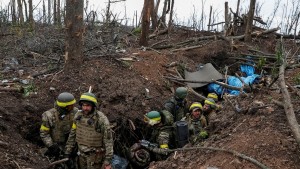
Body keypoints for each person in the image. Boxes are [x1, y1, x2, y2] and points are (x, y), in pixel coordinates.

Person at [64, 92, 113, 169]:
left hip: (95, 157)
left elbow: (108, 141)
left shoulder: (101, 119)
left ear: (93, 106)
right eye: (83, 105)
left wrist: (108, 160)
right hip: (81, 155)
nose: (85, 108)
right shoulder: (78, 116)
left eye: (88, 105)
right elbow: (72, 135)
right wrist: (67, 151)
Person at [40, 92, 78, 160]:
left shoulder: (75, 112)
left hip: (71, 145)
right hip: (56, 146)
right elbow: (44, 133)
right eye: (70, 105)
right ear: (64, 106)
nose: (73, 106)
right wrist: (51, 146)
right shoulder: (49, 115)